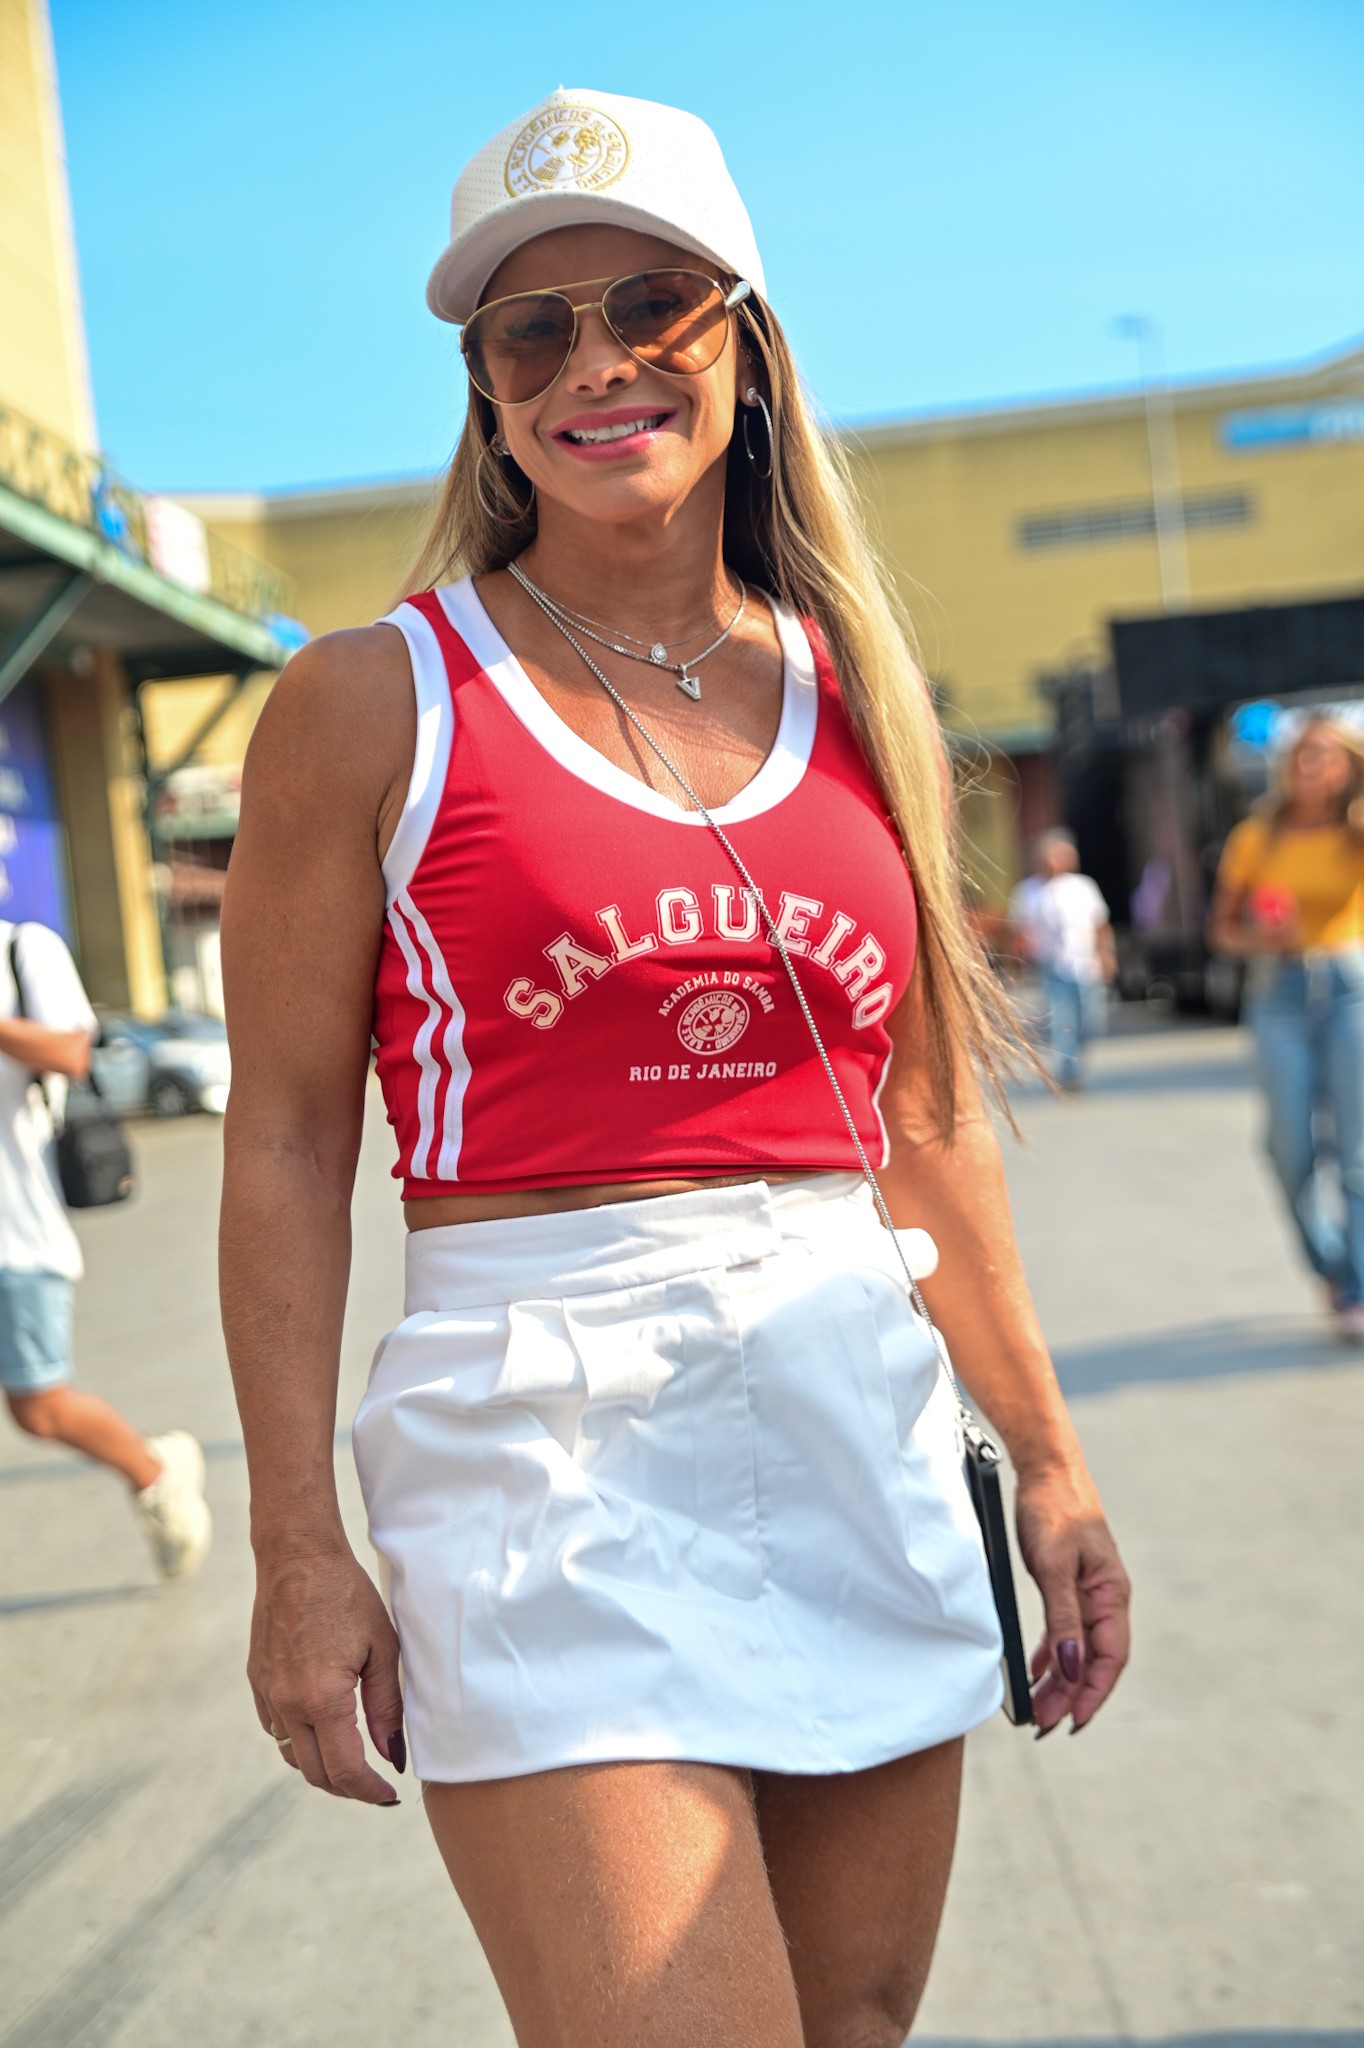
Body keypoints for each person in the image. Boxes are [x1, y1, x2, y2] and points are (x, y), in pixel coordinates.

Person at [220, 89, 1130, 2048]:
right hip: (539, 1442)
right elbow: (288, 1139)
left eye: (651, 305)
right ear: (482, 389)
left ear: (747, 340)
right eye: (529, 330)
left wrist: (1045, 1460)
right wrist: (299, 1546)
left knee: (851, 2028)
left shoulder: (861, 691)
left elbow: (921, 1123)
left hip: (847, 1409)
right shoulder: (374, 699)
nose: (596, 362)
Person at [1, 918, 211, 1575]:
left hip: (15, 1230)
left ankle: (153, 1471)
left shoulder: (21, 947)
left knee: (38, 1408)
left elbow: (70, 1051)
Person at [1209, 716, 1364, 1339]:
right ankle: (1329, 1263)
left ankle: (1355, 1287)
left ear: (1348, 765)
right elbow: (1220, 930)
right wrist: (1258, 937)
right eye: (1303, 754)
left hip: (1351, 987)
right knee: (1288, 1150)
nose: (1312, 766)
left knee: (1356, 1153)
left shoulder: (1357, 831)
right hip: (1279, 991)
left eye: (1325, 755)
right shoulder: (1257, 837)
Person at [1008, 830, 1116, 1090]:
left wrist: (1106, 955)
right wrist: (1018, 963)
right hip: (1052, 966)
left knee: (1091, 1020)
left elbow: (1100, 924)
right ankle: (1069, 1070)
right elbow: (1018, 931)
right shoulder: (1028, 891)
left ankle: (1078, 1054)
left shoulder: (1082, 886)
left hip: (1085, 963)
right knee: (1062, 1020)